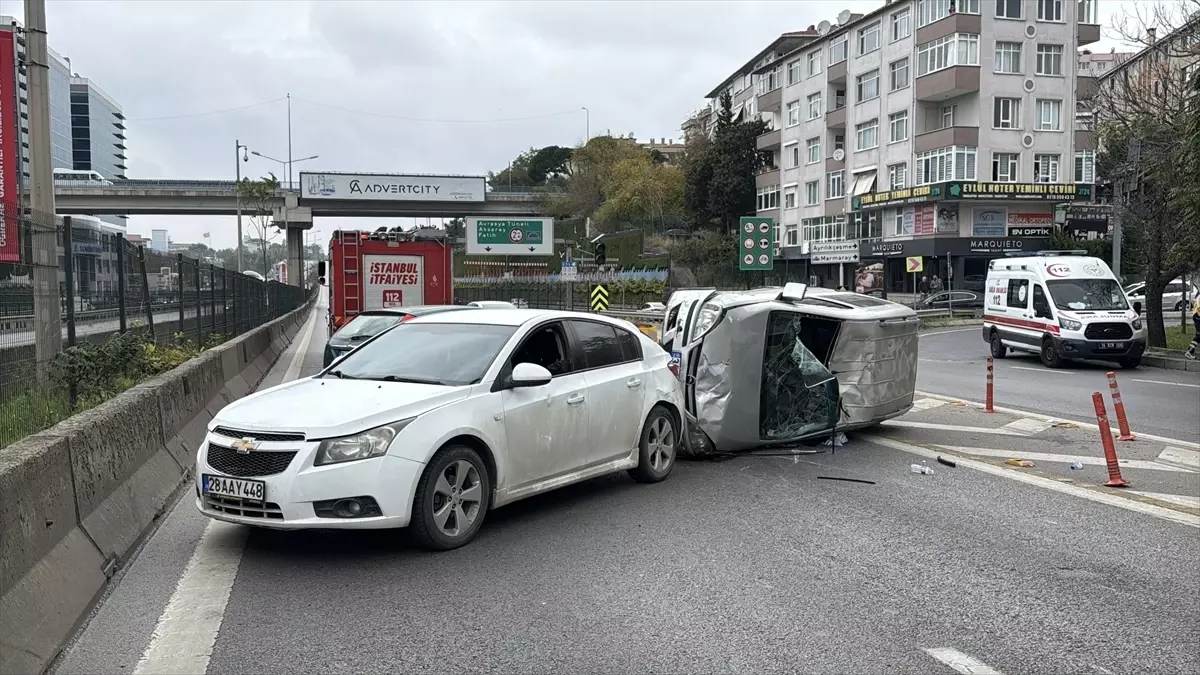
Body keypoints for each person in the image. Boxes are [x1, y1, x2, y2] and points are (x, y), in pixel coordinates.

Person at [1186, 290, 1200, 360]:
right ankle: (1189, 352)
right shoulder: (1199, 297)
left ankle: (1189, 351)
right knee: (1198, 336)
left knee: (1198, 337)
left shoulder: (1198, 296)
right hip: (1198, 317)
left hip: (1197, 317)